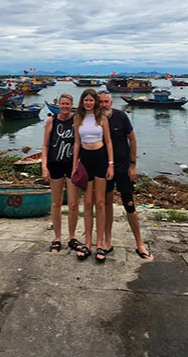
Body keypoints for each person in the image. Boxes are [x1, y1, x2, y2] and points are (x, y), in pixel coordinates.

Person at [98, 90, 153, 260]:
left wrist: (133, 165)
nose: (103, 105)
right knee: (107, 205)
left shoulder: (121, 117)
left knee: (129, 204)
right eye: (100, 102)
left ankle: (139, 244)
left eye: (106, 101)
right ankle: (107, 241)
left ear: (111, 103)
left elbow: (133, 139)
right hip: (104, 169)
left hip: (123, 168)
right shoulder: (95, 120)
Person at [73, 88, 114, 262]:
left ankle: (100, 244)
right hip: (85, 160)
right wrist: (74, 163)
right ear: (82, 102)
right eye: (86, 100)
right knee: (88, 203)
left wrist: (111, 164)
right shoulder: (78, 118)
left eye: (91, 100)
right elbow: (76, 142)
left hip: (100, 159)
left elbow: (108, 141)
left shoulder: (102, 119)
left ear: (95, 102)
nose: (88, 103)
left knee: (101, 202)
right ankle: (88, 243)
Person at [41, 93, 81, 253]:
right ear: (59, 105)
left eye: (68, 104)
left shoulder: (76, 120)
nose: (65, 107)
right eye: (62, 104)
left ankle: (72, 236)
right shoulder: (52, 120)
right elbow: (45, 146)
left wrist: (77, 164)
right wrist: (44, 167)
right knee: (56, 203)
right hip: (54, 165)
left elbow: (79, 142)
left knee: (73, 204)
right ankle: (57, 238)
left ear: (72, 105)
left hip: (71, 166)